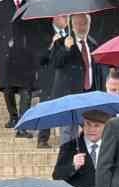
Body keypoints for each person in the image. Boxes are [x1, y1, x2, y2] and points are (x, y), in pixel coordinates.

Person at [0, 0, 46, 131]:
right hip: (7, 54)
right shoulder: (1, 6)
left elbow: (39, 30)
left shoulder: (32, 5)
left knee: (25, 89)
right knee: (7, 88)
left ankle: (23, 120)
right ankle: (13, 116)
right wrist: (0, 43)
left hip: (26, 54)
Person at [44, 13, 103, 147]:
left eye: (84, 24)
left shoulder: (93, 44)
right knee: (68, 131)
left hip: (88, 94)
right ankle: (66, 160)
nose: (81, 27)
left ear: (89, 25)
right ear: (72, 25)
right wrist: (66, 48)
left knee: (90, 130)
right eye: (78, 24)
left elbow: (95, 70)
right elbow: (54, 63)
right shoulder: (62, 42)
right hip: (69, 95)